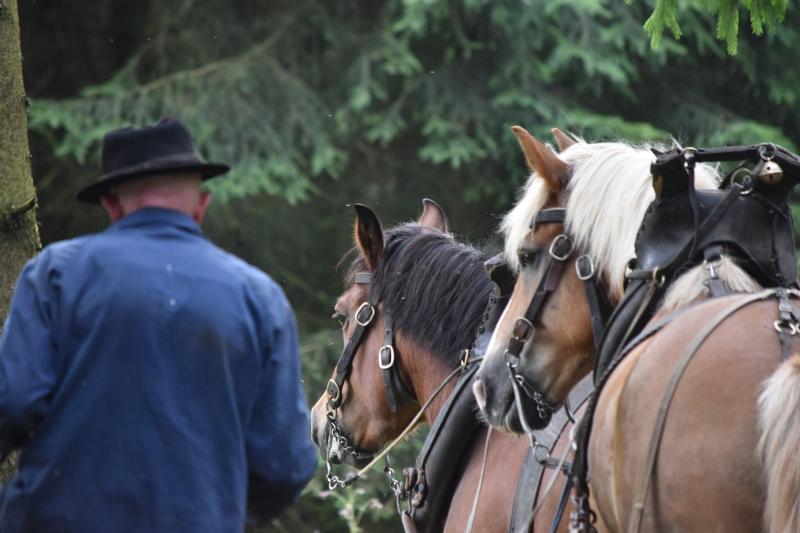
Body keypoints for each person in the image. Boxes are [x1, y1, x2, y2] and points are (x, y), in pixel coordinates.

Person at [0, 118, 317, 532]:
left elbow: (12, 402)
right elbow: (285, 465)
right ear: (201, 206)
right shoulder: (259, 298)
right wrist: (211, 510)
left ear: (112, 206)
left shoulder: (55, 275)